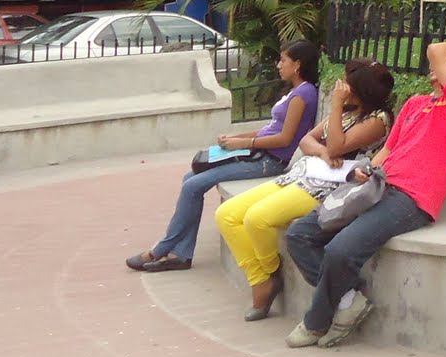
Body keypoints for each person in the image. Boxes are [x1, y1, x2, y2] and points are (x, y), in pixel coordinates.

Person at [283, 37, 446, 349]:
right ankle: (348, 300)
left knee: (340, 250)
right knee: (299, 235)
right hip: (375, 184)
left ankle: (316, 323)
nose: (431, 71)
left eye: (439, 69)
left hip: (411, 197)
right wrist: (365, 170)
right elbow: (387, 150)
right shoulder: (415, 104)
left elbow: (437, 50)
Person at [214, 59, 395, 320]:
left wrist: (333, 113)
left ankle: (267, 276)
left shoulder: (379, 119)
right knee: (226, 215)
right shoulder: (345, 112)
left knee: (257, 219)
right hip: (304, 175)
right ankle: (262, 278)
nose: (340, 87)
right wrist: (323, 151)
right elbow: (307, 140)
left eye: (346, 82)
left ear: (360, 88)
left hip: (328, 187)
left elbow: (337, 146)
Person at [125, 39, 321, 273]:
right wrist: (235, 139)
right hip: (257, 153)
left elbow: (285, 139)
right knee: (191, 178)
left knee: (192, 186)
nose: (279, 65)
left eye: (283, 60)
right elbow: (271, 128)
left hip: (270, 162)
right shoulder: (295, 92)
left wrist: (244, 142)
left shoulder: (303, 94)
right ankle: (182, 253)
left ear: (297, 65)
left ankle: (163, 249)